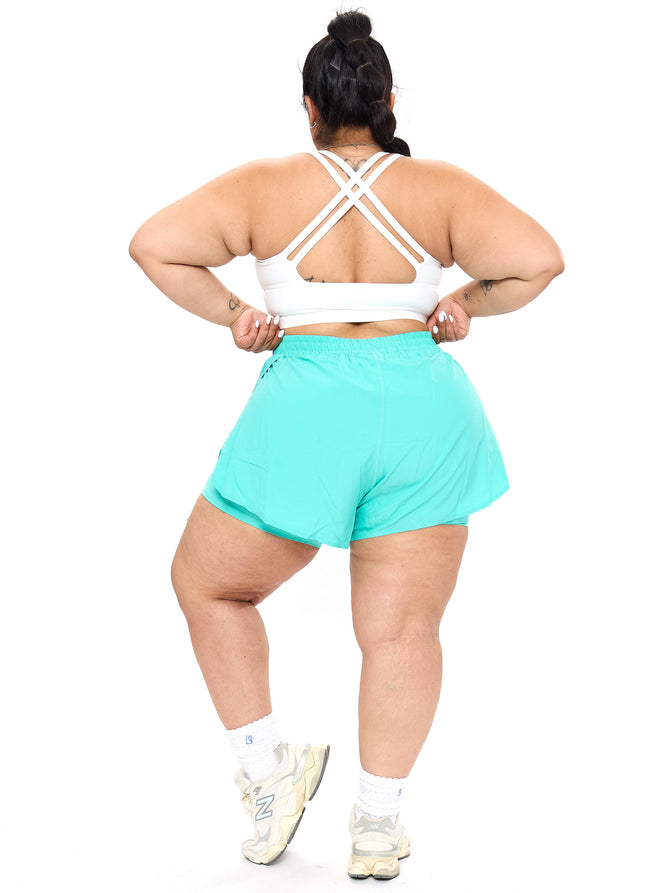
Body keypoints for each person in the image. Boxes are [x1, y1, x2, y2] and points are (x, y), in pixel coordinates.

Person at [128, 9, 564, 881]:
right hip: (424, 412)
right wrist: (464, 303)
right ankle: (376, 824)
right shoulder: (439, 186)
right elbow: (539, 260)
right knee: (402, 630)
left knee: (207, 583)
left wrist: (238, 314)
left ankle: (268, 772)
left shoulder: (265, 184)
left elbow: (154, 246)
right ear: (389, 100)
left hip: (307, 410)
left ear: (310, 107)